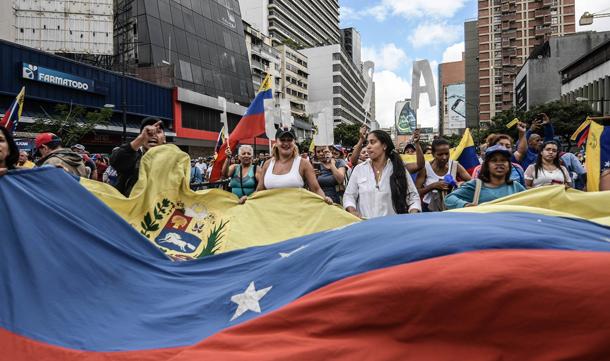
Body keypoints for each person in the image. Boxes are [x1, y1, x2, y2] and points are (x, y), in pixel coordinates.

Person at [343, 130, 421, 219]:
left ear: (384, 146)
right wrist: (352, 211)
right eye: (367, 143)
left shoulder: (398, 168)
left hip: (392, 228)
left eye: (372, 142)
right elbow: (349, 196)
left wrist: (412, 215)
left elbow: (413, 197)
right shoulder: (359, 169)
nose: (368, 146)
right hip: (364, 226)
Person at [246, 126, 332, 204]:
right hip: (271, 215)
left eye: (289, 140)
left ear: (294, 142)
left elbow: (316, 189)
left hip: (296, 216)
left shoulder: (303, 163)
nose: (286, 143)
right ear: (276, 142)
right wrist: (248, 199)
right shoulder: (267, 164)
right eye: (282, 140)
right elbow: (259, 191)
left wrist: (325, 199)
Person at [445, 145, 526, 209]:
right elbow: (449, 199)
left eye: (503, 160)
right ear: (486, 165)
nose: (499, 163)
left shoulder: (516, 187)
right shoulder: (476, 185)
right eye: (494, 160)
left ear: (509, 164)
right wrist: (465, 205)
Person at [110, 117, 166, 196]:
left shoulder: (174, 160)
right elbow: (115, 161)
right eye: (148, 132)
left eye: (158, 132)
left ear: (164, 138)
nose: (153, 135)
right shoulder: (132, 156)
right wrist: (139, 140)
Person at [415, 138, 472, 211]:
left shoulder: (455, 166)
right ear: (433, 154)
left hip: (451, 207)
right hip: (429, 209)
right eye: (440, 154)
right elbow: (416, 192)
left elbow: (472, 184)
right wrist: (433, 186)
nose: (444, 157)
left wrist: (459, 184)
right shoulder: (425, 168)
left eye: (446, 153)